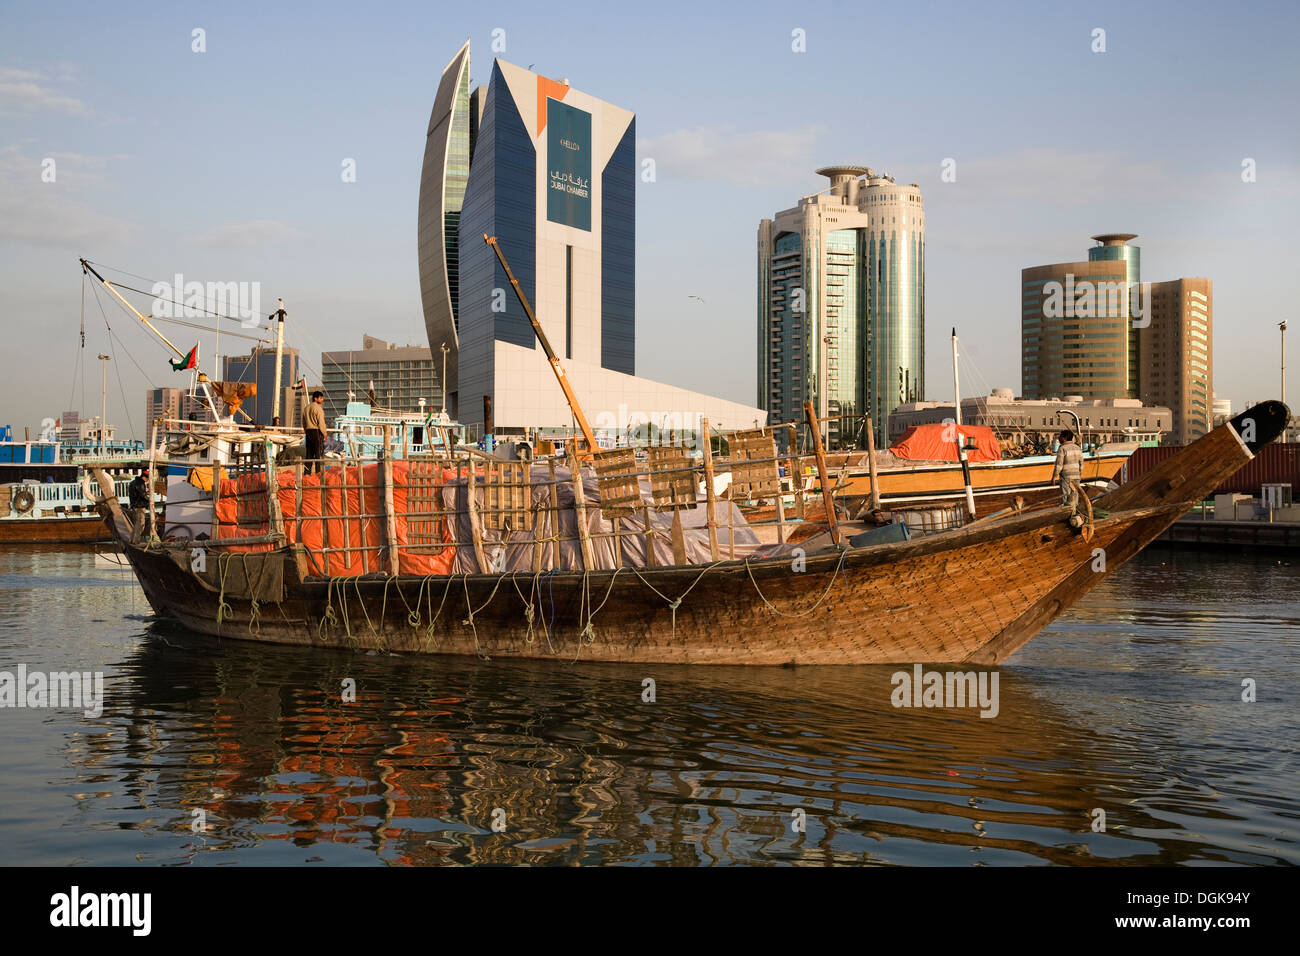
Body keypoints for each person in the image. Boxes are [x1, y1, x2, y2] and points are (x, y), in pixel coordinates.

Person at [1051, 428, 1083, 511]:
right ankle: (1075, 513)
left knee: (1065, 497)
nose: (1059, 438)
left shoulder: (1062, 448)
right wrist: (1080, 474)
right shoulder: (1077, 448)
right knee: (1075, 496)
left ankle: (1067, 514)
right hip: (1076, 476)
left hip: (1066, 477)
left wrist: (1054, 476)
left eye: (1060, 436)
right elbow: (1081, 463)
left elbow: (1059, 465)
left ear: (1064, 438)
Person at [303, 391, 328, 474]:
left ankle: (306, 474)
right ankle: (318, 474)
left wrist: (306, 431)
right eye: (320, 398)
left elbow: (303, 422)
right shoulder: (318, 408)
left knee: (309, 455)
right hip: (316, 431)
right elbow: (321, 423)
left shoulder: (306, 408)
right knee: (318, 455)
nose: (322, 400)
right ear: (315, 398)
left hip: (308, 432)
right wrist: (324, 434)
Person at [128, 468, 151, 543]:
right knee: (141, 524)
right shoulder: (141, 483)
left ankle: (131, 540)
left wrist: (145, 493)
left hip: (134, 505)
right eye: (148, 478)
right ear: (145, 477)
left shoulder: (133, 482)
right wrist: (148, 500)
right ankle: (136, 541)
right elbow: (142, 495)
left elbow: (137, 493)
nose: (148, 480)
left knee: (136, 524)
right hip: (139, 506)